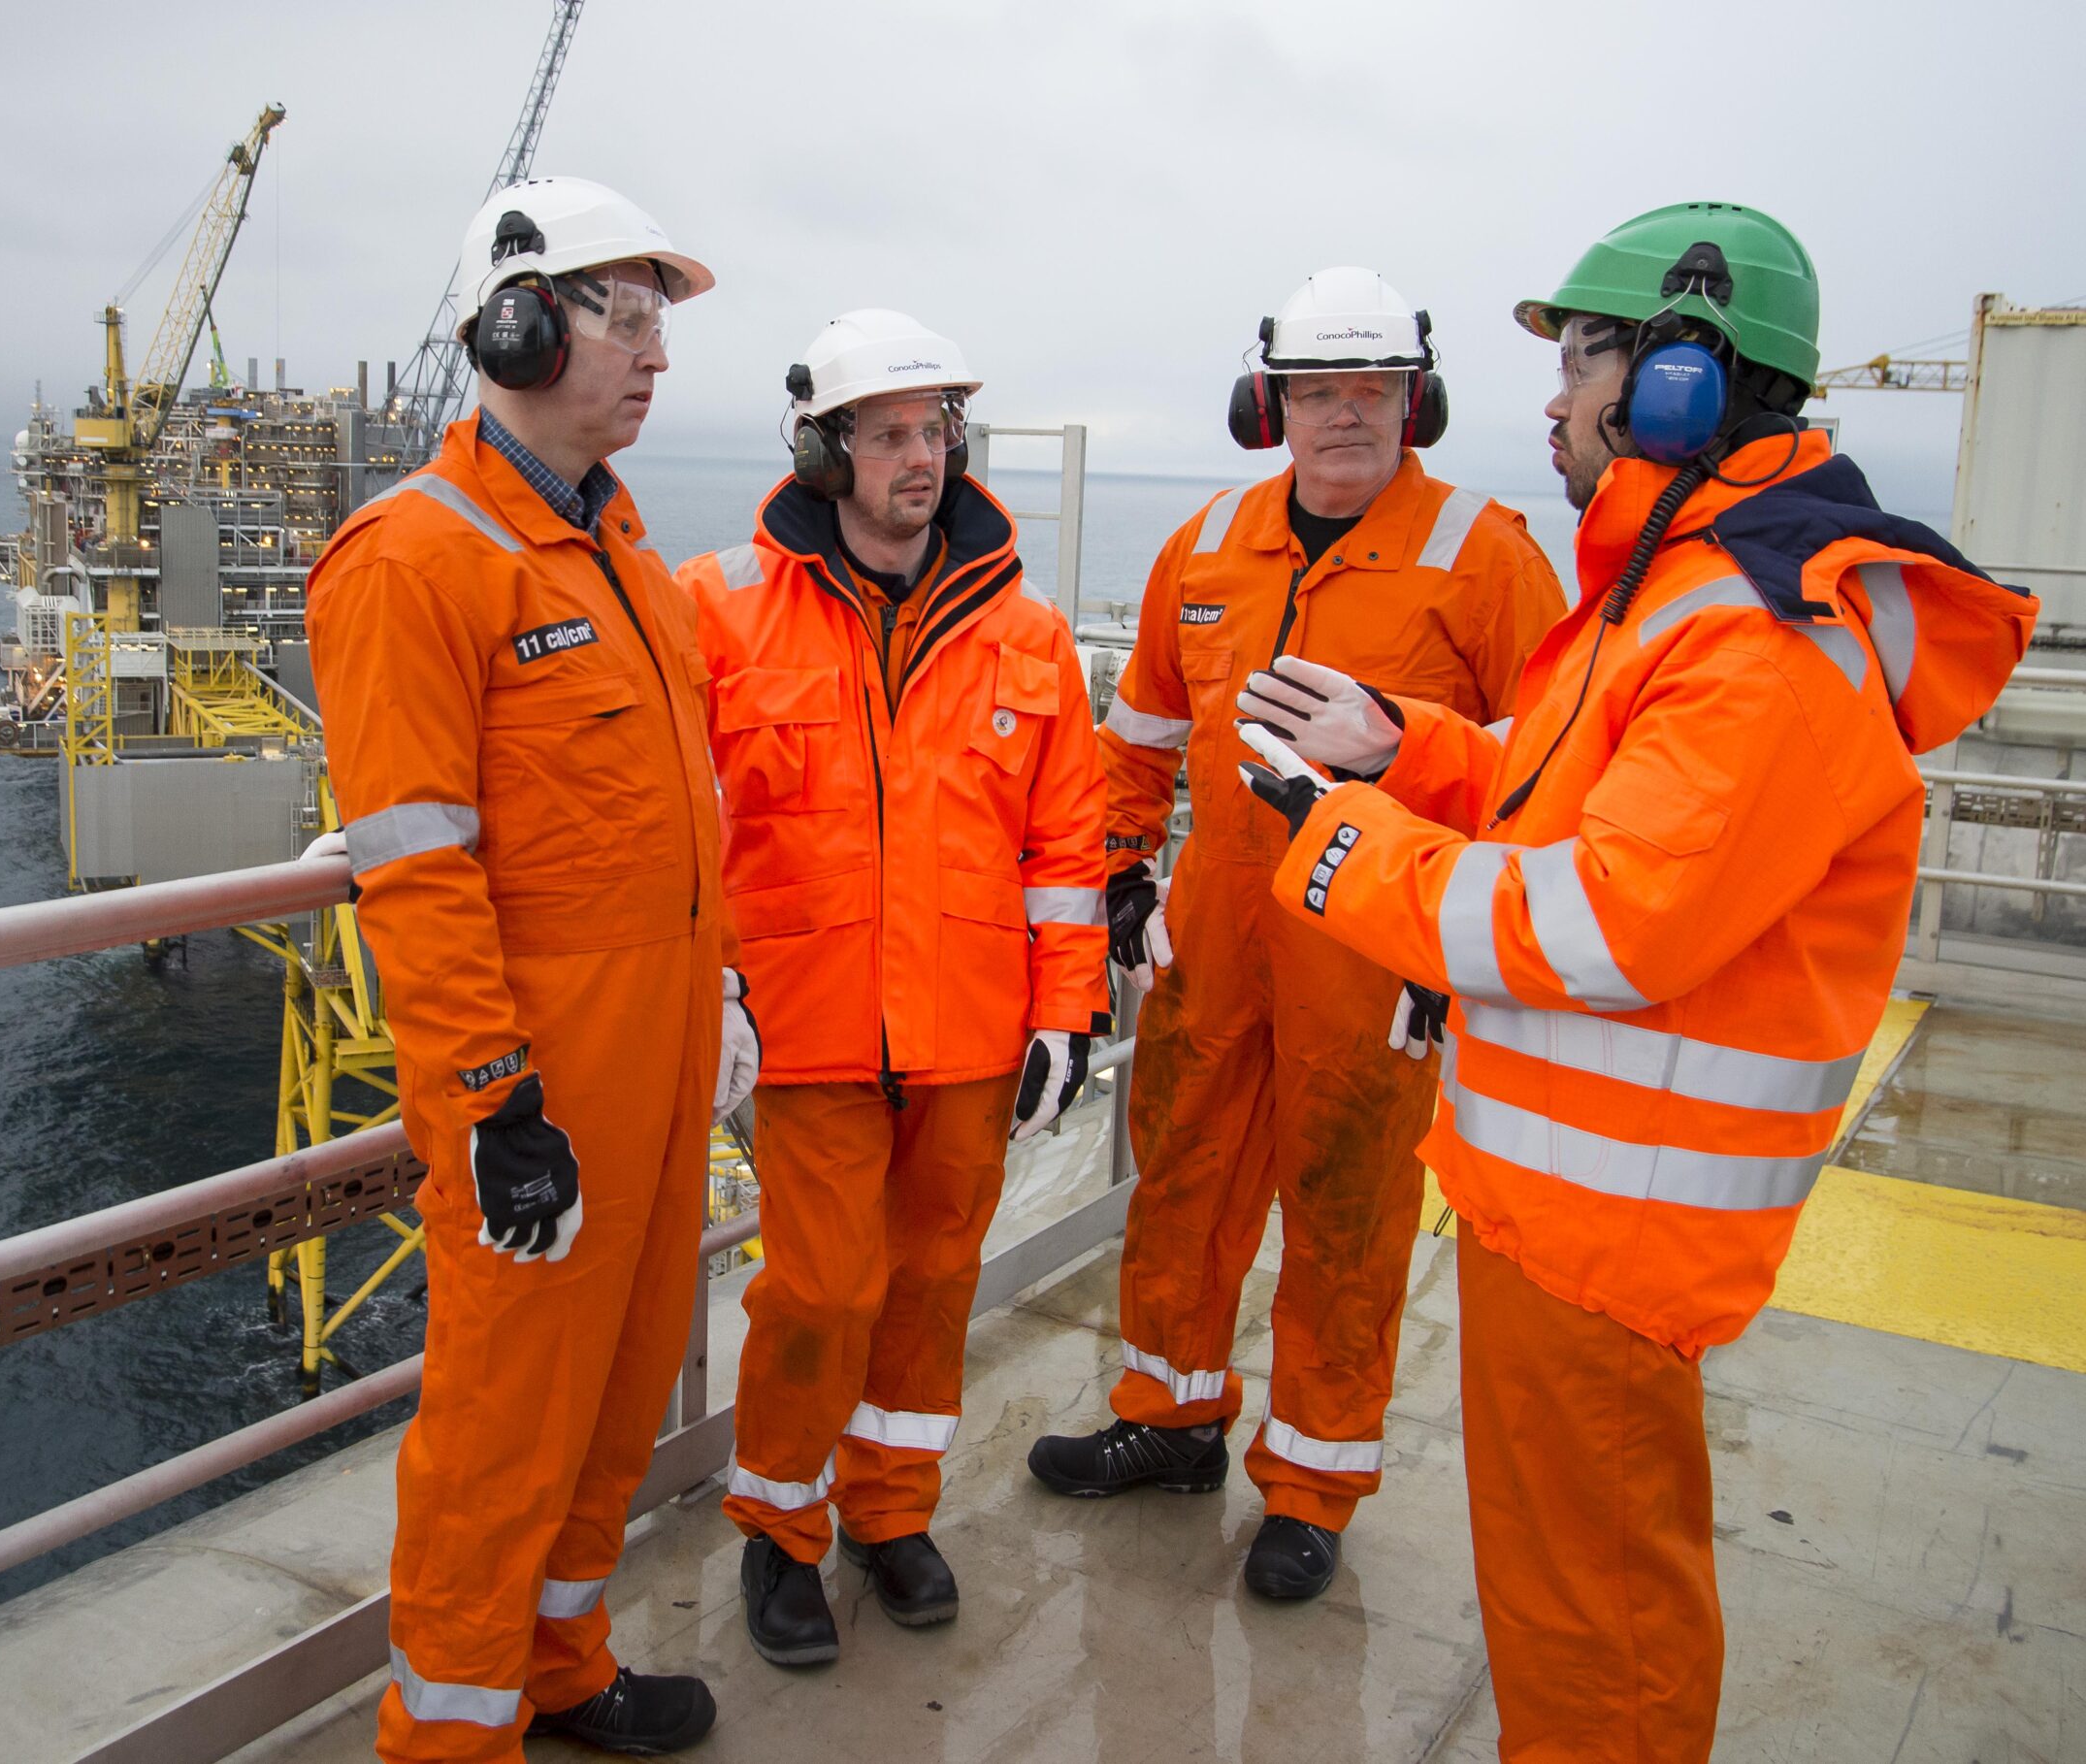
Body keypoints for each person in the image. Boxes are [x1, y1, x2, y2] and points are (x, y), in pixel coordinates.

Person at [1234, 203, 2035, 1759]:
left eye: (1583, 355)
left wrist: (1344, 845)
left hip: (1614, 1236)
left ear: (1681, 375)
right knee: (1569, 1607)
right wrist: (1412, 750)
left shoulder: (1759, 633)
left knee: (1594, 1632)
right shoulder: (1675, 591)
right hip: (1565, 1207)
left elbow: (1605, 921)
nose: (1551, 397)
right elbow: (1569, 800)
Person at [306, 175, 755, 1763]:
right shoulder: (415, 560)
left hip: (656, 1076)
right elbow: (418, 871)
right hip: (537, 1099)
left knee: (617, 1405)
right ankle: (448, 1738)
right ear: (517, 323)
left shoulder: (621, 554)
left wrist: (731, 1002)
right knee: (499, 1439)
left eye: (657, 325)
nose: (655, 356)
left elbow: (672, 824)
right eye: (626, 316)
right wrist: (497, 1101)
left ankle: (562, 1667)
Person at [1027, 268, 1562, 1601]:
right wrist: (1125, 879)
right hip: (1216, 931)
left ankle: (1314, 1481)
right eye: (1317, 393)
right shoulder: (1205, 544)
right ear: (1269, 404)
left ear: (1415, 401)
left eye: (1371, 392)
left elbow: (1549, 765)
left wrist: (1459, 939)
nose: (1344, 419)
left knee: (1345, 1206)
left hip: (1374, 945)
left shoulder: (1485, 556)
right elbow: (1140, 735)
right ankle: (1172, 1413)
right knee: (1185, 1174)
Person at [677, 310, 1108, 1667]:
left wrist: (1063, 1012)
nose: (921, 458)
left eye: (938, 431)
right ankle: (783, 1530)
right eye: (889, 434)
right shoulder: (719, 611)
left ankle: (890, 1509)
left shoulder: (1030, 639)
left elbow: (1065, 851)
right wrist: (722, 989)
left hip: (971, 1036)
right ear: (824, 451)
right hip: (806, 1037)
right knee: (818, 1289)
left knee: (930, 1280)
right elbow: (678, 820)